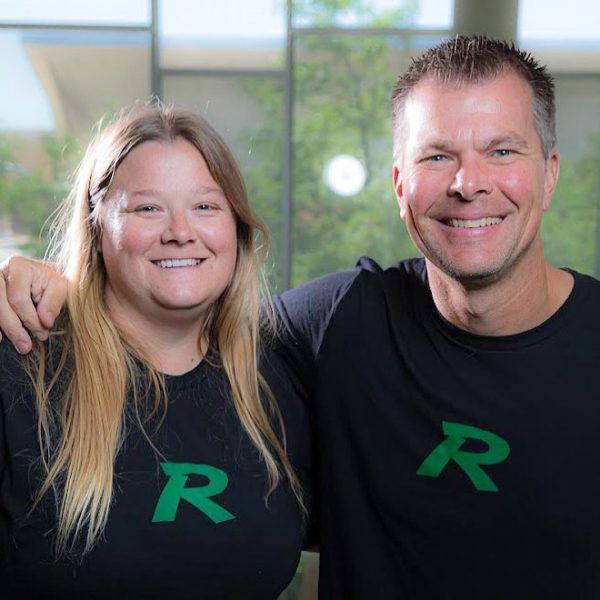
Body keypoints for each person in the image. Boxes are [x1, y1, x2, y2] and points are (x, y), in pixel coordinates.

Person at [3, 35, 600, 599]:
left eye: (501, 151)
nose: (469, 183)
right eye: (438, 155)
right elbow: (169, 315)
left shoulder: (275, 371)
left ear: (548, 174)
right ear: (400, 185)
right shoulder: (334, 326)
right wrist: (44, 287)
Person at [0, 103, 314, 599]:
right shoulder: (22, 366)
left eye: (206, 206)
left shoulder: (280, 380)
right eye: (148, 208)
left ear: (236, 226)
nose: (180, 231)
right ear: (97, 224)